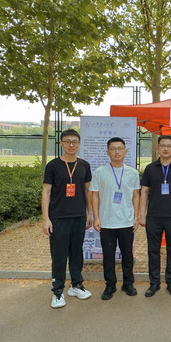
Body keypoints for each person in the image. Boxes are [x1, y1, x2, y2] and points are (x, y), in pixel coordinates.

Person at [42, 129, 93, 309]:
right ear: (61, 143)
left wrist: (89, 213)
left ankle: (76, 285)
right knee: (59, 255)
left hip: (78, 216)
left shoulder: (84, 165)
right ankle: (57, 291)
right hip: (58, 217)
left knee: (77, 253)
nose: (71, 145)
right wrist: (46, 218)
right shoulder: (53, 166)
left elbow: (87, 190)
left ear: (79, 144)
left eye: (74, 142)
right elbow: (46, 192)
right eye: (67, 141)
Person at [90, 137, 140, 301]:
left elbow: (136, 195)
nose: (117, 152)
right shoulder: (99, 172)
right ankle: (110, 285)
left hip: (126, 221)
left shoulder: (132, 173)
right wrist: (96, 217)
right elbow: (94, 195)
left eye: (120, 148)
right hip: (106, 222)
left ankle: (128, 283)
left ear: (125, 151)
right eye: (113, 149)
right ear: (108, 152)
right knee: (108, 256)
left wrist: (136, 217)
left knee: (127, 256)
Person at [139, 135, 171, 298]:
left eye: (169, 146)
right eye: (163, 145)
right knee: (153, 250)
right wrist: (142, 214)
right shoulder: (150, 168)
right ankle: (154, 283)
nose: (166, 148)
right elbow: (144, 192)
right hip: (153, 216)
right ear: (158, 148)